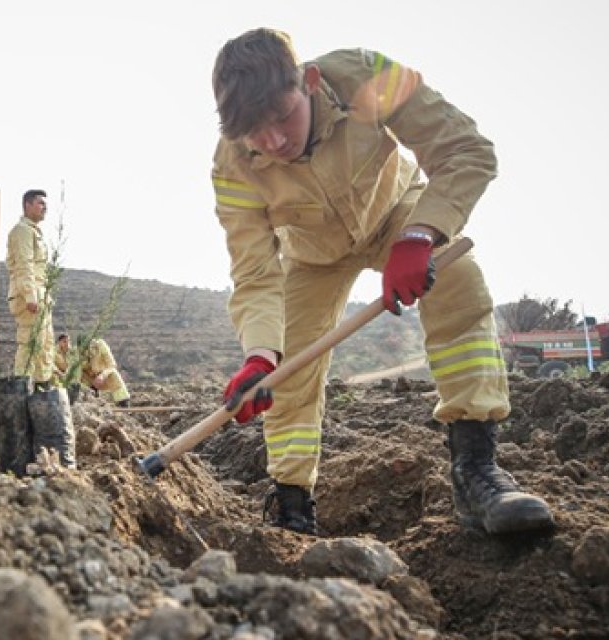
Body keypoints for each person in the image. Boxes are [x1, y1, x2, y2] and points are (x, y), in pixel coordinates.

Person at [210, 29, 553, 536]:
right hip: (312, 255)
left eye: (282, 117)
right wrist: (260, 355)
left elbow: (466, 149)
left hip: (398, 213)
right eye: (256, 133)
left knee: (457, 281)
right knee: (287, 365)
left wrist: (421, 234)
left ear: (308, 82)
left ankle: (476, 472)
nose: (274, 141)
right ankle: (292, 505)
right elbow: (255, 271)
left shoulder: (366, 74)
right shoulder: (232, 166)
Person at [6, 189, 56, 388]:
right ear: (27, 205)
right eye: (40, 203)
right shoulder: (22, 231)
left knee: (44, 344)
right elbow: (24, 265)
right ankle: (22, 388)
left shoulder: (34, 231)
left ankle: (41, 387)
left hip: (40, 294)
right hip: (29, 295)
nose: (45, 207)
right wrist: (30, 296)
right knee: (30, 343)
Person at [79, 336, 131, 407]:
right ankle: (91, 400)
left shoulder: (101, 346)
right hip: (87, 378)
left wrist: (102, 375)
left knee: (114, 375)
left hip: (104, 376)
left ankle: (123, 403)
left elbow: (111, 365)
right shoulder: (77, 352)